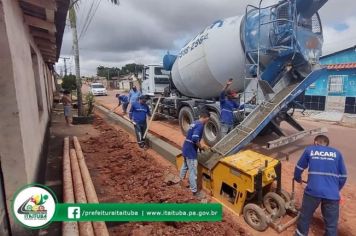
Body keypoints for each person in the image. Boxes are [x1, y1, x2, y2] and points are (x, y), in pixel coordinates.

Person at [294, 135, 347, 236]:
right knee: (331, 225)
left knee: (305, 216)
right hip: (332, 194)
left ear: (315, 142)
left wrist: (297, 178)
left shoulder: (310, 150)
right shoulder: (337, 153)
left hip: (313, 191)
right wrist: (336, 189)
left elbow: (299, 167)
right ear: (327, 144)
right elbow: (343, 176)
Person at [180, 111, 210, 198]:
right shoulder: (200, 125)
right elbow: (195, 138)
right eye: (208, 119)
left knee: (185, 165)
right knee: (193, 171)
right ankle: (194, 192)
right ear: (205, 117)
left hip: (186, 147)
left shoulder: (194, 122)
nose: (207, 121)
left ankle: (181, 181)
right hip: (191, 151)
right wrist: (200, 147)